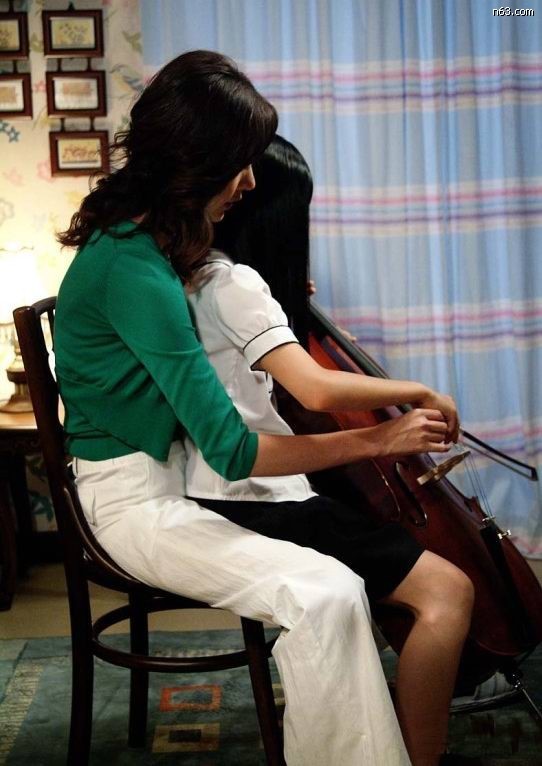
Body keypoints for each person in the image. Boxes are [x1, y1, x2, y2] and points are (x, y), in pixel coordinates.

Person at [53, 51, 466, 766]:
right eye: (239, 163)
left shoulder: (143, 250)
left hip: (163, 485)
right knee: (326, 593)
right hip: (133, 506)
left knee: (336, 588)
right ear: (195, 163)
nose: (249, 181)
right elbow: (235, 452)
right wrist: (379, 440)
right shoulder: (135, 271)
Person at [183, 135, 476, 766]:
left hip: (209, 487)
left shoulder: (195, 274)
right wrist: (417, 390)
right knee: (448, 591)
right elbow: (314, 391)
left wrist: (283, 302)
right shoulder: (234, 283)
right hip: (248, 495)